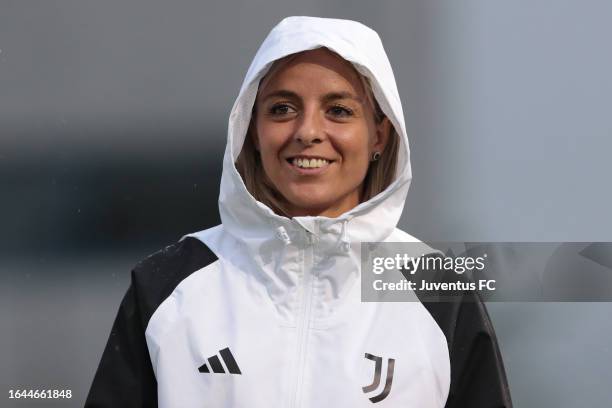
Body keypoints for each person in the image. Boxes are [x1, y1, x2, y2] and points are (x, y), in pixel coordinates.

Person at [85, 16, 512, 407]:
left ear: (380, 135)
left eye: (339, 111)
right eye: (282, 109)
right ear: (251, 130)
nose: (308, 132)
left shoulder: (438, 291)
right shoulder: (167, 285)